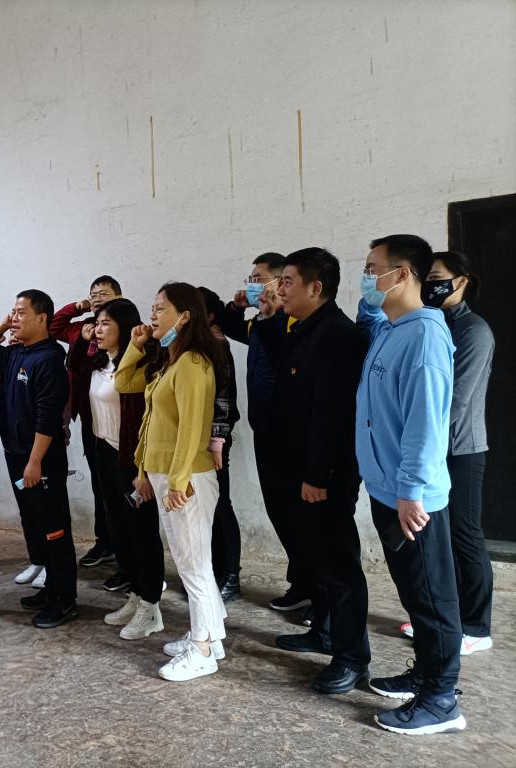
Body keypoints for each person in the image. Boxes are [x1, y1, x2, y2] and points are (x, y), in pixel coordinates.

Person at [357, 234, 465, 735]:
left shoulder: (425, 336)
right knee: (413, 590)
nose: (366, 277)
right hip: (389, 488)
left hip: (412, 497)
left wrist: (411, 491)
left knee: (432, 596)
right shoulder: (393, 327)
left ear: (402, 274)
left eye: (372, 269)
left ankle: (441, 700)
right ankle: (424, 673)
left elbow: (426, 423)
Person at [261, 249, 371, 695]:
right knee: (315, 558)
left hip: (323, 475)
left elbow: (333, 415)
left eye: (287, 281)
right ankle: (323, 632)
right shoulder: (302, 328)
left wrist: (318, 476)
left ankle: (352, 658)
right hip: (298, 469)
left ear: (316, 287)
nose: (279, 289)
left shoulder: (339, 336)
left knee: (339, 565)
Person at [116, 282, 226, 681]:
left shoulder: (193, 363)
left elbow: (192, 430)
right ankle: (211, 637)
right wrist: (135, 345)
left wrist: (178, 482)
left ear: (185, 316)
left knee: (193, 566)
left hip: (187, 476)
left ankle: (202, 650)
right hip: (168, 474)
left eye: (161, 308)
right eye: (153, 307)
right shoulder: (170, 361)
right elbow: (124, 383)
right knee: (194, 562)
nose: (152, 315)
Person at [397, 252, 494, 655]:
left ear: (462, 281)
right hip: (432, 448)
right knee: (439, 537)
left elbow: (454, 401)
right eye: (428, 277)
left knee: (465, 534)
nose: (430, 285)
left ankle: (476, 627)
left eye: (438, 277)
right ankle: (446, 619)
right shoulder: (430, 323)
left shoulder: (474, 330)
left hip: (460, 449)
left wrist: (419, 437)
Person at [216, 253, 314, 616]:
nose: (252, 284)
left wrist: (271, 315)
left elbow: (285, 356)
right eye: (251, 278)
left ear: (279, 282)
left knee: (298, 514)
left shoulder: (292, 324)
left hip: (289, 432)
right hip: (265, 429)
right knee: (279, 509)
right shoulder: (260, 323)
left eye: (259, 278)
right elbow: (229, 324)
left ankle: (315, 591)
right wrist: (236, 306)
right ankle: (301, 583)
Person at [0, 290, 78, 628]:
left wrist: (34, 463)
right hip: (17, 455)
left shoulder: (49, 360)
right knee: (35, 524)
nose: (14, 318)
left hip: (41, 461)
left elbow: (48, 419)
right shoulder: (16, 353)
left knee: (54, 530)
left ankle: (65, 600)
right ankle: (50, 590)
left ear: (42, 319)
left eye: (21, 313)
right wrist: (3, 324)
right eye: (13, 312)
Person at [88, 299, 166, 640]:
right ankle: (135, 594)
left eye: (106, 323)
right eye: (97, 323)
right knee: (118, 529)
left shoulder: (139, 365)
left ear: (126, 327)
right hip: (104, 452)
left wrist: (142, 469)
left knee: (141, 532)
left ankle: (151, 607)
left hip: (132, 458)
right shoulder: (99, 362)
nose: (98, 329)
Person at [49, 276, 123, 577]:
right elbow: (54, 327)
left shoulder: (126, 330)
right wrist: (77, 307)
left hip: (119, 422)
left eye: (104, 294)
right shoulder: (84, 328)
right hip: (91, 417)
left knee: (121, 489)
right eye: (93, 295)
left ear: (119, 297)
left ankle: (126, 552)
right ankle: (105, 542)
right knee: (100, 485)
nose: (97, 299)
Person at [197, 287, 242, 601]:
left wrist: (216, 442)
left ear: (210, 316)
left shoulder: (216, 346)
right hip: (196, 439)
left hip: (214, 439)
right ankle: (213, 571)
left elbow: (223, 401)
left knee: (219, 504)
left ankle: (231, 575)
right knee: (205, 506)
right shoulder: (195, 345)